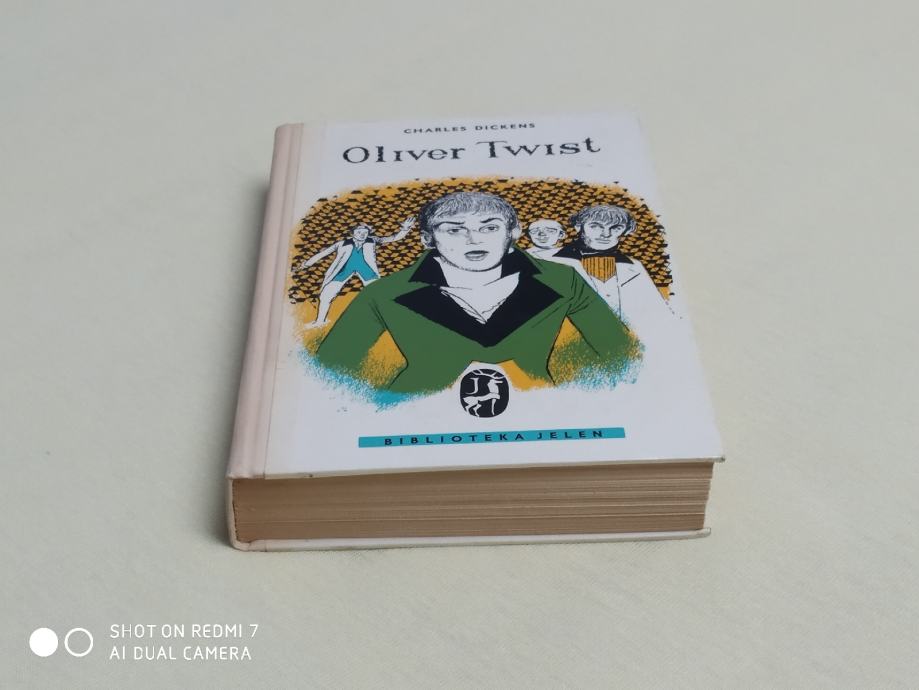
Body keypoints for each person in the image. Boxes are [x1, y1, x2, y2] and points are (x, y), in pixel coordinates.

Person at [314, 191, 638, 395]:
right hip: (414, 421)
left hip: (540, 415)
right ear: (428, 239)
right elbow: (327, 373)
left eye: (489, 227)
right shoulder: (384, 293)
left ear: (513, 233)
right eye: (454, 229)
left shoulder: (562, 280)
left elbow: (621, 354)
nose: (474, 239)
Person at [554, 204, 672, 333]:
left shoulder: (634, 267)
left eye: (616, 228)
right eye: (595, 226)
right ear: (578, 227)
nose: (606, 234)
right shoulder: (552, 263)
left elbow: (660, 315)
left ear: (626, 231)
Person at [300, 218, 415, 327]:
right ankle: (320, 321)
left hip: (367, 270)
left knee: (379, 296)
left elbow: (394, 238)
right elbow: (323, 253)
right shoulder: (342, 243)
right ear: (352, 233)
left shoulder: (373, 240)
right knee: (326, 295)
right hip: (343, 271)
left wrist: (405, 228)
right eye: (359, 232)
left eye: (365, 232)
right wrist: (307, 264)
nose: (362, 234)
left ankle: (389, 320)